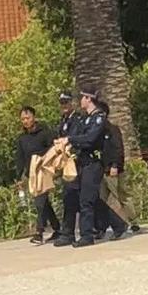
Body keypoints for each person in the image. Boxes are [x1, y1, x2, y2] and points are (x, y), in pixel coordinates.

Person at [56, 88, 112, 248]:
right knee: (85, 198)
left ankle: (87, 235)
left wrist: (70, 139)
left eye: (82, 98)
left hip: (93, 163)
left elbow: (90, 139)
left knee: (86, 200)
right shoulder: (86, 119)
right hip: (82, 163)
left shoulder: (99, 118)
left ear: (88, 99)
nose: (81, 101)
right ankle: (116, 224)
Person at [15, 106, 60, 244]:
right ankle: (58, 228)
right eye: (23, 119)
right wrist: (19, 176)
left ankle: (39, 232)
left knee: (39, 202)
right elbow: (20, 158)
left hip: (43, 171)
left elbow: (53, 149)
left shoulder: (45, 133)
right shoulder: (22, 139)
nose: (25, 121)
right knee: (44, 203)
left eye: (27, 118)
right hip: (31, 174)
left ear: (34, 117)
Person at [95, 102, 139, 238]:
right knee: (103, 198)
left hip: (114, 169)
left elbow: (118, 148)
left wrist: (115, 165)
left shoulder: (112, 129)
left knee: (120, 196)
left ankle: (132, 221)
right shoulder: (97, 132)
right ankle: (103, 227)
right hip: (102, 169)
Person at [53, 91, 82, 247]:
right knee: (71, 198)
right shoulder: (63, 121)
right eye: (62, 103)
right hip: (66, 165)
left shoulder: (77, 120)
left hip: (75, 163)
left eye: (66, 102)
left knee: (75, 198)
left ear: (73, 103)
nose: (64, 105)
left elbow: (75, 141)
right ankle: (68, 232)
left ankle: (69, 232)